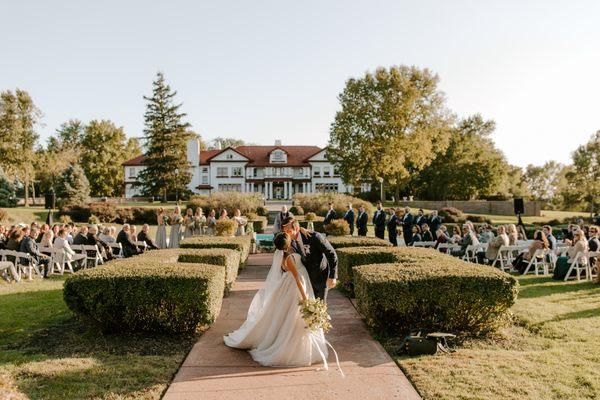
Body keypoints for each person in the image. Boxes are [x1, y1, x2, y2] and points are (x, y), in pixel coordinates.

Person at [223, 232, 332, 368]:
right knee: (294, 317)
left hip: (302, 284)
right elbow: (297, 278)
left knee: (295, 317)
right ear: (287, 244)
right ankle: (293, 348)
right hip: (296, 288)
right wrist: (305, 298)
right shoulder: (289, 258)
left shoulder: (290, 254)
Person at [281, 216, 338, 300]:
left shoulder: (315, 237)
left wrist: (333, 276)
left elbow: (331, 254)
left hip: (320, 277)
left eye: (289, 231)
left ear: (297, 228)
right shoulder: (289, 241)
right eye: (285, 232)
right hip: (305, 279)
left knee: (320, 306)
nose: (287, 234)